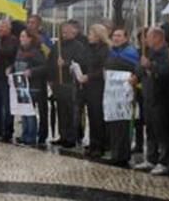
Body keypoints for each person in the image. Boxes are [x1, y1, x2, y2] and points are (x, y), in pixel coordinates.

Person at [132, 27, 169, 175]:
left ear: (157, 38)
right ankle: (150, 158)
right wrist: (137, 73)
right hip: (148, 96)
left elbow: (166, 72)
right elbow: (139, 69)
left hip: (161, 97)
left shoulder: (167, 53)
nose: (145, 41)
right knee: (149, 129)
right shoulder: (148, 52)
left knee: (161, 130)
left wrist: (151, 66)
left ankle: (164, 161)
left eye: (148, 38)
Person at [46, 21, 89, 149]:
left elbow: (81, 62)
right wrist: (50, 78)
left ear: (74, 32)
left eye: (67, 32)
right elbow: (50, 62)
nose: (64, 34)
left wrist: (65, 63)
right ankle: (62, 135)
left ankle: (72, 137)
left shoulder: (79, 46)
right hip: (58, 82)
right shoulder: (56, 46)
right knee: (61, 110)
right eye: (63, 32)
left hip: (71, 83)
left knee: (72, 112)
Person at [104, 27, 139, 166]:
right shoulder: (112, 52)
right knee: (114, 123)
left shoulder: (130, 52)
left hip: (125, 93)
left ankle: (123, 154)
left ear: (126, 38)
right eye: (114, 36)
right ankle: (116, 152)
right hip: (113, 94)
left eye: (119, 35)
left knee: (123, 125)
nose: (115, 38)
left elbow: (134, 68)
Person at [78, 24, 110, 159]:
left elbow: (103, 69)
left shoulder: (105, 50)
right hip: (89, 86)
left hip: (99, 86)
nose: (89, 37)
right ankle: (93, 142)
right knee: (92, 115)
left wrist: (89, 76)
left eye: (91, 34)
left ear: (98, 35)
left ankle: (100, 145)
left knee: (98, 116)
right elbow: (86, 63)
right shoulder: (89, 49)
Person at [10, 29, 46, 146]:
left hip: (33, 85)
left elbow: (44, 66)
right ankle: (25, 135)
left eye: (24, 36)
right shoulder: (19, 51)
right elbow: (15, 63)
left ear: (30, 38)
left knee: (30, 112)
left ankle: (31, 136)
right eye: (21, 36)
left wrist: (32, 71)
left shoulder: (36, 52)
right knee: (23, 110)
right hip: (21, 85)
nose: (22, 39)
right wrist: (11, 69)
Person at [26, 14, 53, 145]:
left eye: (33, 22)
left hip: (41, 77)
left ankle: (43, 134)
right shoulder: (26, 37)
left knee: (42, 108)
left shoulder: (44, 39)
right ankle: (30, 131)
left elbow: (49, 56)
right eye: (29, 22)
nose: (30, 25)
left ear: (38, 24)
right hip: (28, 77)